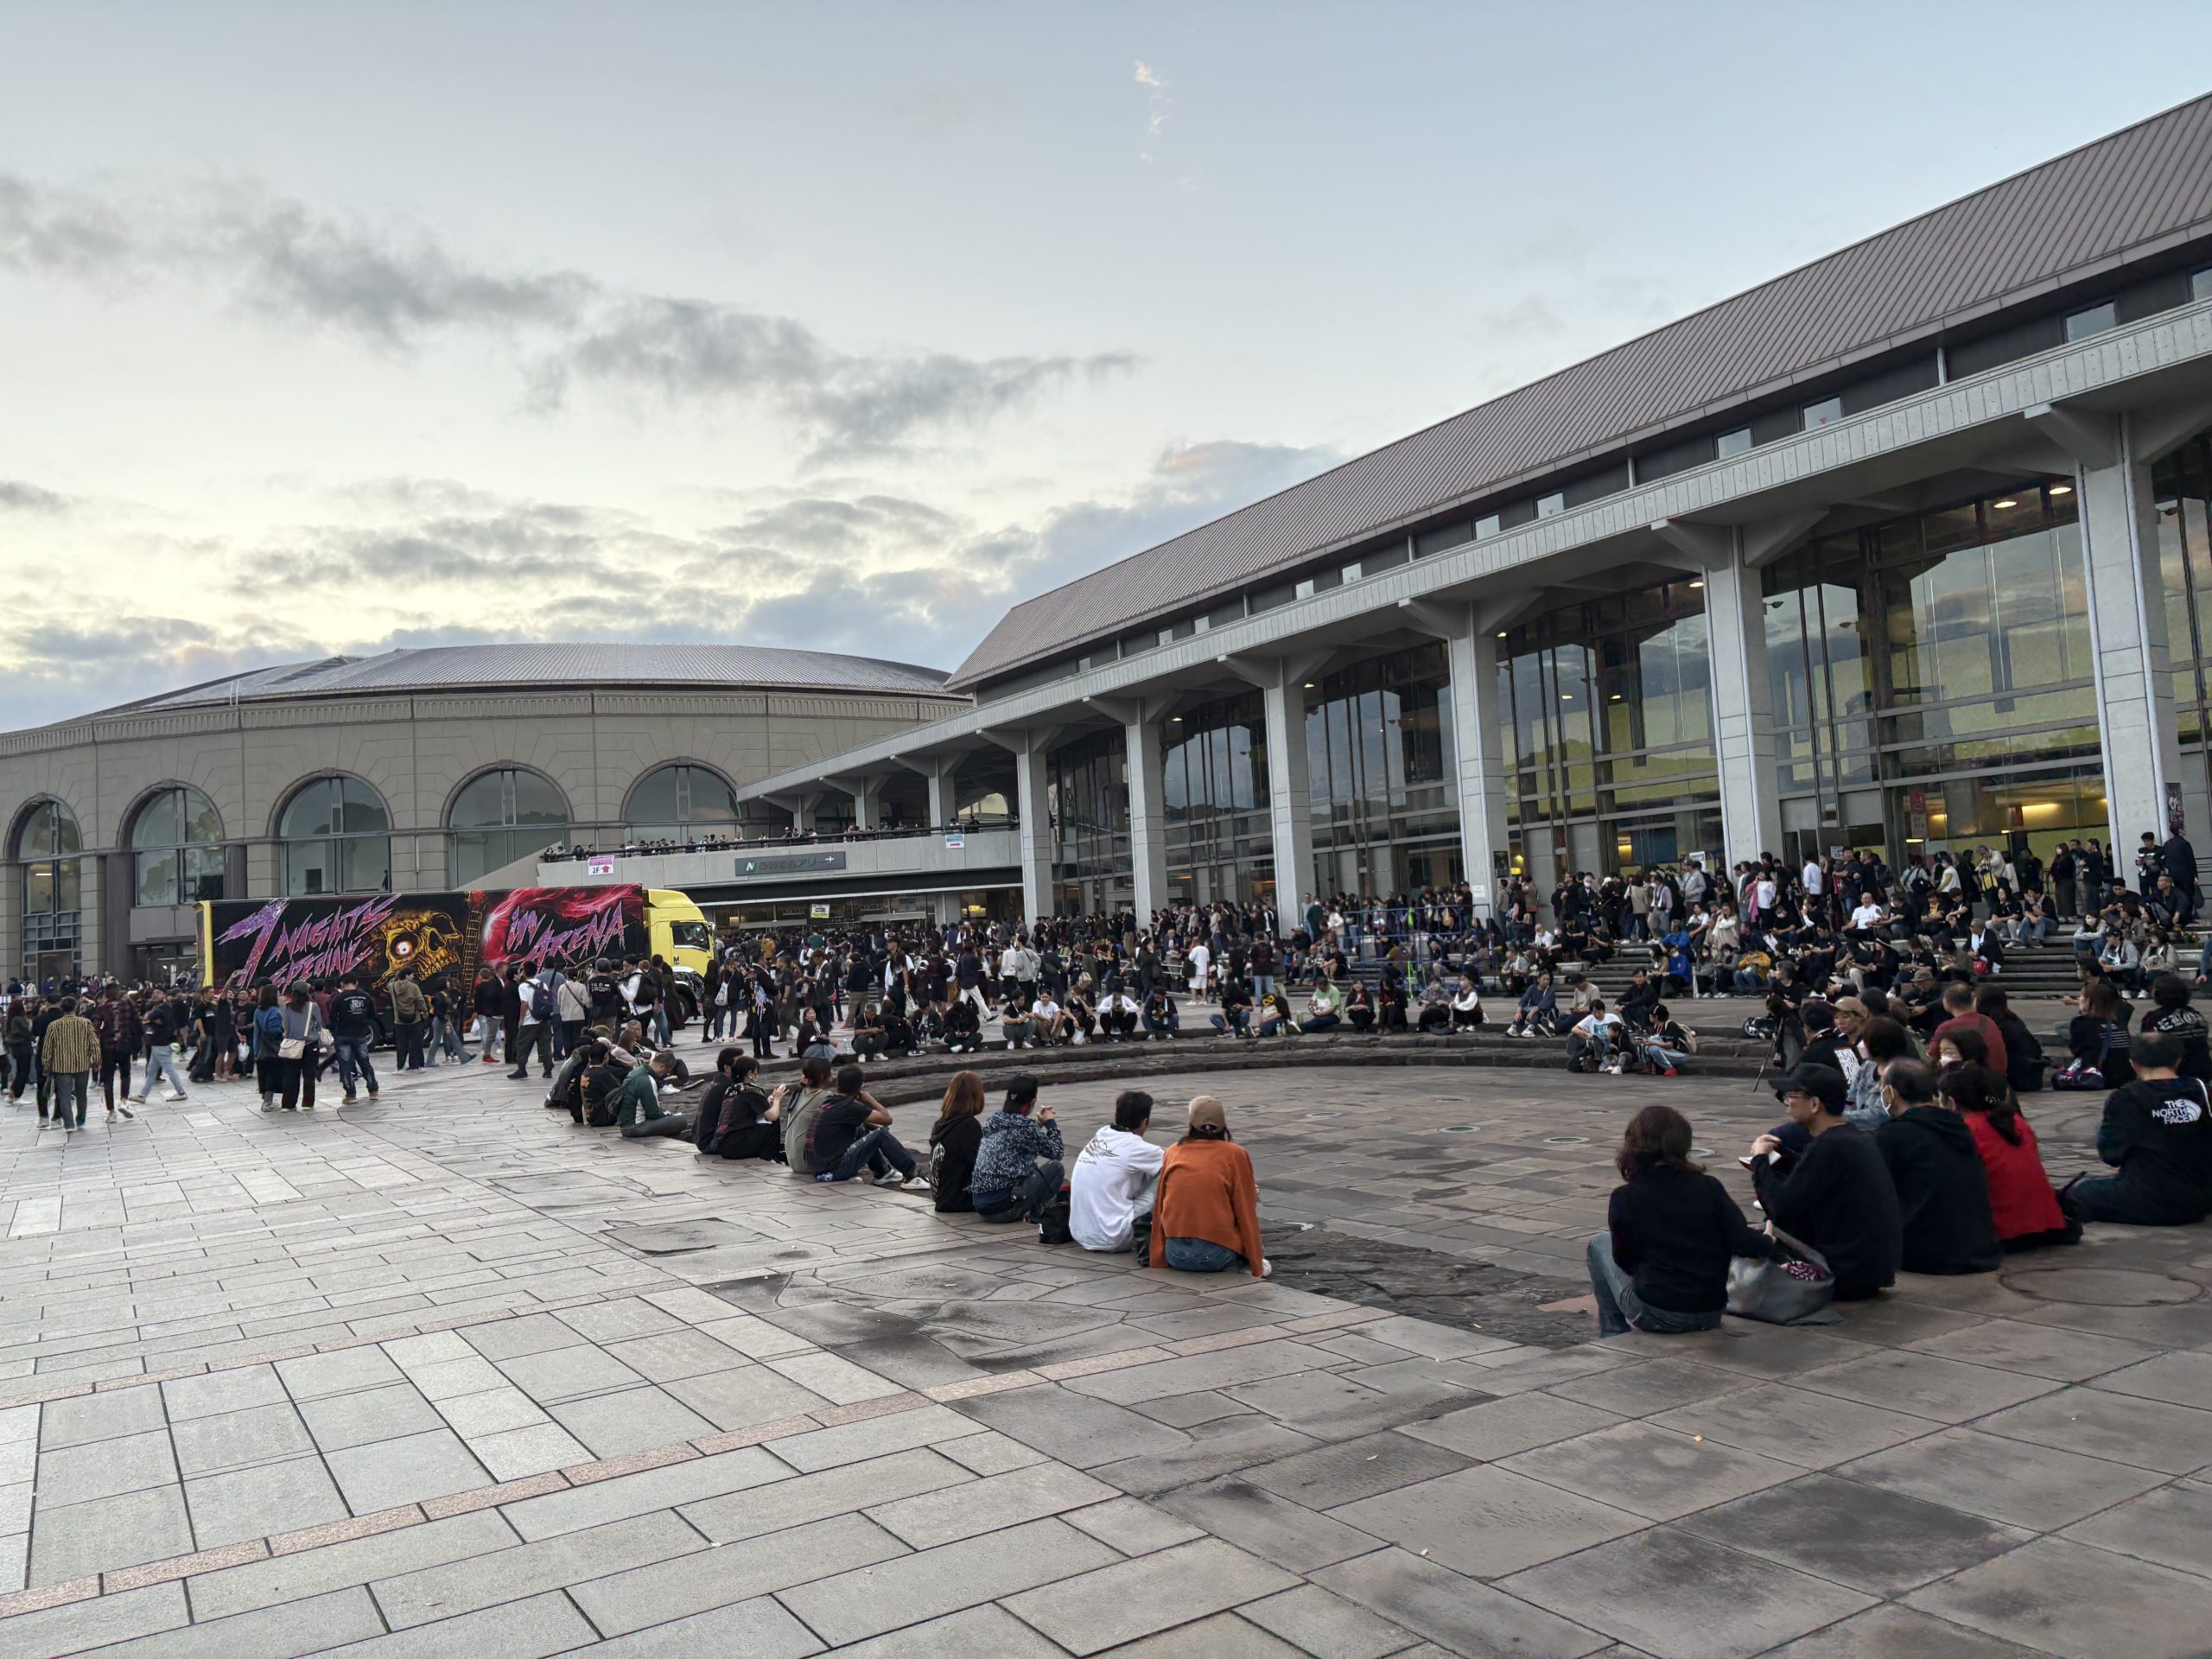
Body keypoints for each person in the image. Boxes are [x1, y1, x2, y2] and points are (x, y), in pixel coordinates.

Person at [1588, 1103, 1771, 1338]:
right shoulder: (1709, 1186)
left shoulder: (1626, 1196)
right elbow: (1743, 1242)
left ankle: (1612, 1332)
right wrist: (1769, 1239)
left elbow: (1625, 1259)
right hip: (1711, 1310)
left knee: (1598, 1244)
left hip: (1658, 1312)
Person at [1749, 1063, 1903, 1300]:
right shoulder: (1854, 1137)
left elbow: (1781, 1208)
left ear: (1814, 1104)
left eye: (1793, 1095)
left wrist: (1759, 1160)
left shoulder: (1830, 1145)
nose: (1788, 1102)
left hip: (1842, 1274)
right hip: (1872, 1270)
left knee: (1754, 1235)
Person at [2059, 1029, 2212, 1225]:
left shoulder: (2127, 1097)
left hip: (2151, 1199)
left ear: (2134, 1063)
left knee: (2079, 1192)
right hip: (2200, 1195)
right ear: (2178, 1060)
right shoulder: (2201, 1090)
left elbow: (2110, 1153)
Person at [1872, 1059, 2001, 1274]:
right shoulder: (1958, 1126)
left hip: (1925, 1254)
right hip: (1981, 1250)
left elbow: (1874, 1194)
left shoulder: (1893, 1134)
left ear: (1891, 1093)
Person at [1942, 1064, 2079, 1251]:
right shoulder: (2013, 1120)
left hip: (2002, 1232)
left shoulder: (1966, 1130)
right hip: (2041, 1226)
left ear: (1951, 1102)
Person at [1148, 1096, 1268, 1277]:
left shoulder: (1173, 1151)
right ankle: (1241, 1262)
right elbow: (1245, 1211)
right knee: (1246, 1200)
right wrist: (1256, 1264)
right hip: (1214, 1256)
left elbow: (1160, 1206)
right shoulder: (1235, 1154)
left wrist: (1157, 1257)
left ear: (1192, 1123)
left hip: (1174, 1254)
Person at [1071, 1090, 1165, 1254]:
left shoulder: (1101, 1134)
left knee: (1142, 1170)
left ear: (1116, 1114)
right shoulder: (1134, 1147)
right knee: (1169, 1170)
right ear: (1145, 1122)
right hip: (1113, 1236)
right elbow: (1177, 1158)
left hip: (1080, 1233)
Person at [969, 1075, 1065, 1224]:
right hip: (1003, 1210)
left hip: (982, 1205)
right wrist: (1051, 1124)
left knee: (1028, 1163)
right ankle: (1037, 1215)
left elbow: (1016, 1142)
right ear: (1032, 1102)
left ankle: (1032, 1211)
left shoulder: (994, 1120)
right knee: (1055, 1168)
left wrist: (1037, 1125)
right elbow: (1057, 1152)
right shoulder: (1026, 1127)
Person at [810, 1065, 925, 1187]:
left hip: (818, 1169)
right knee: (880, 1134)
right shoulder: (848, 1107)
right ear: (859, 1088)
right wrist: (870, 1100)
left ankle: (883, 1172)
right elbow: (887, 1119)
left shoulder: (829, 1101)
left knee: (861, 1128)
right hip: (833, 1172)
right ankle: (911, 1175)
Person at [693, 1049, 781, 1160]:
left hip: (706, 1138)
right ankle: (769, 1157)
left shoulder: (723, 1084)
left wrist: (765, 1104)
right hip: (713, 1142)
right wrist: (777, 1100)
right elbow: (771, 1116)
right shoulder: (741, 1088)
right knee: (770, 1120)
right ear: (727, 1068)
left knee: (760, 1118)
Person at [926, 1071, 986, 1212]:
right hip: (958, 1199)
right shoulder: (968, 1126)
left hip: (943, 1196)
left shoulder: (942, 1123)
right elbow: (982, 1165)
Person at [38, 994, 99, 1131]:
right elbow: (93, 1043)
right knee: (81, 1093)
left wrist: (47, 1065)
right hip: (82, 1064)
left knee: (64, 1095)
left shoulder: (54, 1026)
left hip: (61, 1066)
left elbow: (48, 1048)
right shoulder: (85, 1023)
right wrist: (96, 1060)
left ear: (61, 1008)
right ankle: (81, 1119)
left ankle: (69, 1124)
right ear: (76, 1007)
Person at [2142, 973, 2212, 1083]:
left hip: (2173, 1073)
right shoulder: (2196, 1014)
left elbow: (2146, 1046)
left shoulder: (2154, 1018)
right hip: (2203, 1070)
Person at [1930, 981, 2007, 1078]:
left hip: (1972, 1083)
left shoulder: (1946, 1028)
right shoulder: (1988, 1021)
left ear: (1947, 1002)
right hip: (1997, 1079)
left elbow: (1931, 1059)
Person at [325, 970, 381, 1103]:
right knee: (365, 1063)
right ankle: (373, 1090)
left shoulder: (338, 998)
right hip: (360, 1034)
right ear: (356, 983)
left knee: (346, 1065)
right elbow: (372, 1016)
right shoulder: (365, 996)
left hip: (343, 1035)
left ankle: (351, 1094)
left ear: (342, 984)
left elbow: (332, 1018)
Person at [614, 1050, 692, 1141]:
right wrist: (669, 1115)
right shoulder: (647, 1080)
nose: (664, 1075)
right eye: (666, 1072)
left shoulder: (636, 1072)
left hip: (626, 1124)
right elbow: (654, 1113)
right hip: (635, 1127)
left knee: (669, 1120)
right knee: (681, 1120)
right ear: (662, 1067)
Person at [389, 971, 429, 1071]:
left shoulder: (392, 986)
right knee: (417, 1044)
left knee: (401, 1046)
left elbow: (389, 983)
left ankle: (400, 1067)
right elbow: (420, 1001)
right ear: (406, 976)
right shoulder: (414, 987)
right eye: (411, 974)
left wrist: (397, 977)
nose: (413, 976)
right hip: (414, 1020)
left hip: (399, 1021)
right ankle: (421, 1066)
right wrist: (425, 1011)